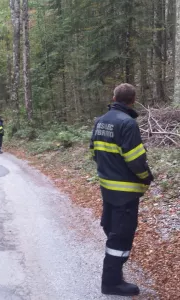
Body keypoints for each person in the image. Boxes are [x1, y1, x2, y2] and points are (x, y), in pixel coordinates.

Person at [90, 83, 154, 297]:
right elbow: (136, 160)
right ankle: (111, 283)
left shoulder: (100, 121)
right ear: (133, 100)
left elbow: (94, 153)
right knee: (120, 237)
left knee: (113, 230)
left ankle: (114, 276)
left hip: (107, 189)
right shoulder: (127, 123)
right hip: (125, 194)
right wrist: (147, 177)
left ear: (114, 97)